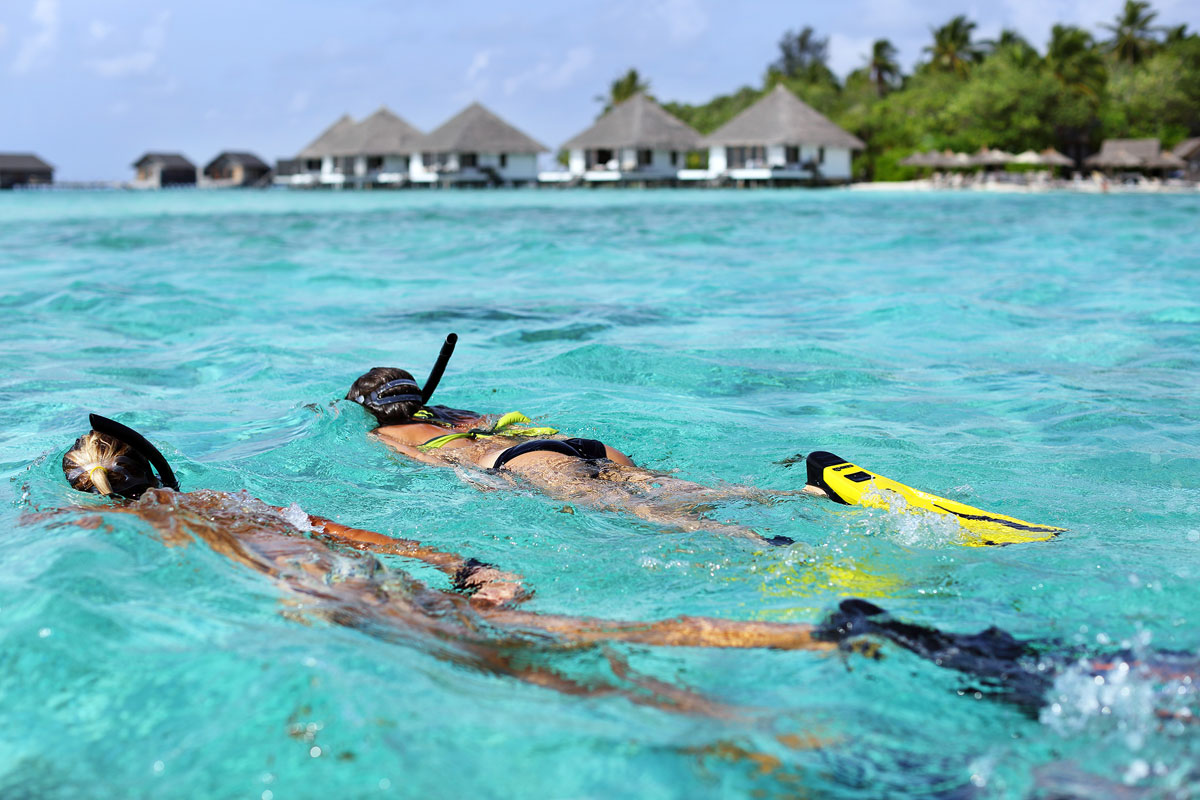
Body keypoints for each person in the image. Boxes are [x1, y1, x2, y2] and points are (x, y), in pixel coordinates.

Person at [55, 417, 1194, 726]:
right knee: (589, 637)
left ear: (107, 489)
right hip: (390, 580)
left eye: (75, 479)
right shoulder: (223, 498)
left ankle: (814, 669)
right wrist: (462, 557)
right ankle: (825, 629)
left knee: (583, 671)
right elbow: (357, 531)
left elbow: (336, 549)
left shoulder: (161, 521)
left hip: (358, 608)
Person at [346, 366, 812, 545]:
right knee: (678, 489)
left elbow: (440, 465)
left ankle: (746, 537)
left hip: (526, 461)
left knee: (641, 512)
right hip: (579, 444)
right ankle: (797, 494)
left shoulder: (391, 435)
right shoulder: (458, 414)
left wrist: (488, 486)